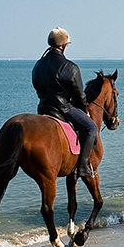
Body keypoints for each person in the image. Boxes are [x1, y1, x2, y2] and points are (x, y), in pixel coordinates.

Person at [32, 27, 98, 178]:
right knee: (91, 128)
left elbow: (36, 85)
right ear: (63, 46)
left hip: (43, 107)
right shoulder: (70, 67)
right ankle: (82, 167)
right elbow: (80, 96)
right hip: (64, 109)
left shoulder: (38, 65)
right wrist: (84, 110)